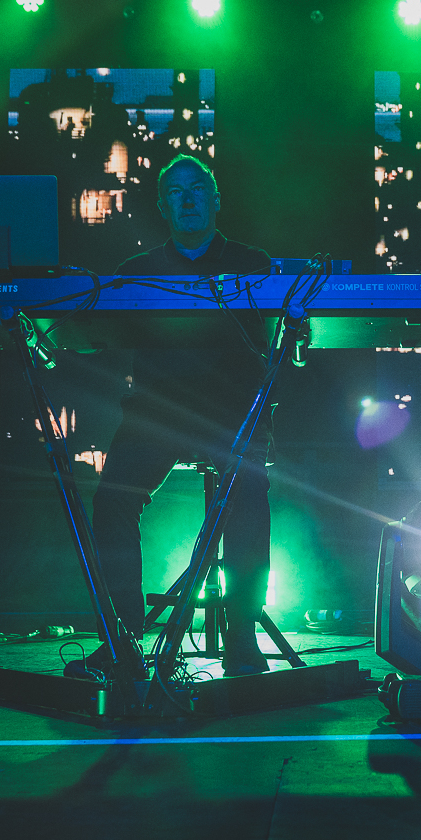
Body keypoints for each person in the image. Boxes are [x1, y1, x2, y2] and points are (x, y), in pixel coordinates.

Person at [73, 154, 274, 678]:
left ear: (215, 199)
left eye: (198, 188)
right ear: (163, 205)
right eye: (177, 191)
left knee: (249, 492)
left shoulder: (252, 263)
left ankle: (243, 635)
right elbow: (98, 330)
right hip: (156, 415)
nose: (188, 199)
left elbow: (278, 343)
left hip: (229, 415)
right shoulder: (136, 274)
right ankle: (122, 639)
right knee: (113, 500)